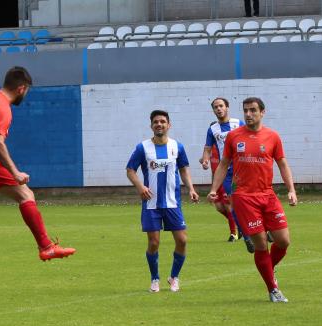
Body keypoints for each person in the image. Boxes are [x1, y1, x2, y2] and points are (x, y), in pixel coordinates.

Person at [0, 66, 75, 295]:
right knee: (26, 194)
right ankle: (46, 246)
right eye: (27, 91)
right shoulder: (2, 106)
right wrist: (14, 172)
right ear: (22, 88)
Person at [208, 97, 297, 303]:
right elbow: (223, 164)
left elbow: (282, 164)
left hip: (268, 195)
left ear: (262, 112)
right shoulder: (234, 136)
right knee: (261, 244)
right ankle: (273, 289)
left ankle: (268, 268)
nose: (248, 114)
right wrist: (214, 189)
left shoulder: (272, 136)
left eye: (253, 110)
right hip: (244, 197)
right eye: (246, 110)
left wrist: (291, 189)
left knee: (283, 241)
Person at [126, 110, 199, 293]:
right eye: (156, 122)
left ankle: (174, 277)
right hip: (151, 204)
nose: (159, 124)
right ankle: (155, 279)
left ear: (169, 125)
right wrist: (140, 187)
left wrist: (191, 188)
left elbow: (184, 169)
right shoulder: (142, 148)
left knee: (182, 240)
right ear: (151, 125)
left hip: (173, 203)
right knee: (153, 243)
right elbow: (130, 170)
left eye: (163, 121)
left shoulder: (177, 147)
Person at [199, 97, 249, 247]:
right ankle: (245, 236)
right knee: (231, 204)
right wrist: (206, 159)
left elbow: (249, 139)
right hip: (227, 172)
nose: (219, 109)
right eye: (215, 107)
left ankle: (261, 228)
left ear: (227, 107)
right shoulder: (212, 129)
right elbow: (207, 148)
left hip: (243, 168)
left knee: (248, 201)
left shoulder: (238, 124)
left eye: (221, 106)